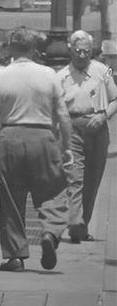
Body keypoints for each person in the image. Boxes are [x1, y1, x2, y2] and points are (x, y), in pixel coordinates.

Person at [0, 28, 71, 271]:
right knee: (53, 190)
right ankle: (50, 232)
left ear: (11, 47)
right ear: (34, 49)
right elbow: (63, 115)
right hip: (43, 136)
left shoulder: (0, 75)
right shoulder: (48, 74)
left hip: (9, 137)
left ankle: (15, 255)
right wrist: (66, 147)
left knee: (11, 197)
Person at [58, 29, 117, 242]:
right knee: (75, 176)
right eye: (78, 51)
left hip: (98, 128)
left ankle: (83, 223)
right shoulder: (61, 76)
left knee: (93, 178)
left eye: (86, 51)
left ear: (91, 51)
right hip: (72, 128)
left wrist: (103, 116)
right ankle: (75, 222)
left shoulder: (104, 70)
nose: (82, 55)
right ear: (71, 50)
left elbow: (115, 98)